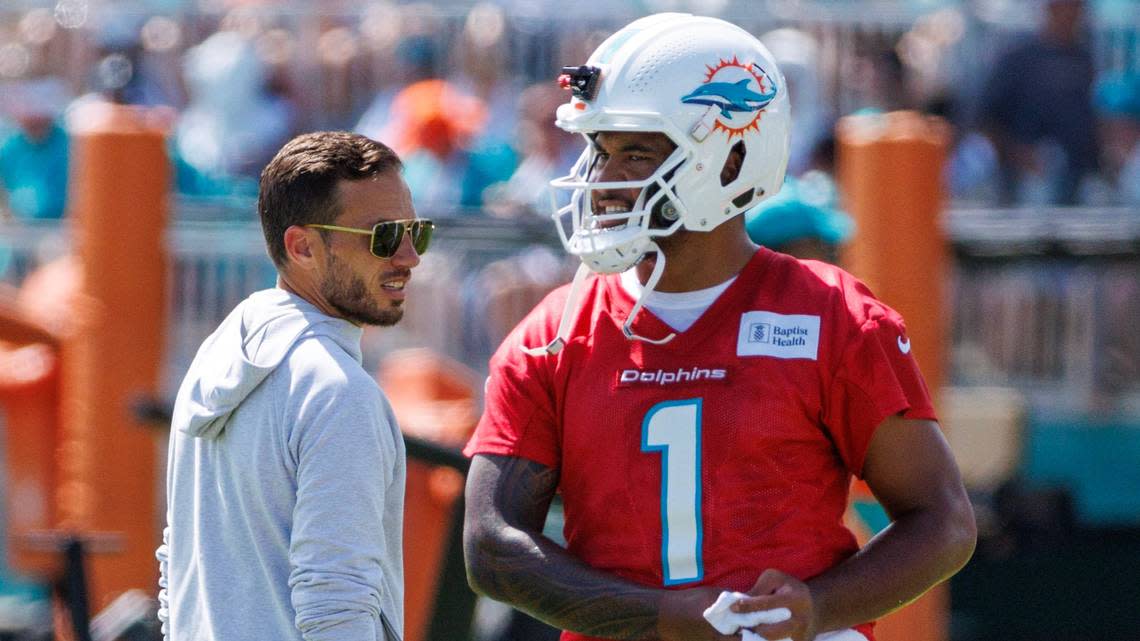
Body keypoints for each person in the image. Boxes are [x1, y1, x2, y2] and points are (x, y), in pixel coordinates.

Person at [462, 13, 976, 641]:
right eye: (600, 151)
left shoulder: (832, 317)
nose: (603, 182)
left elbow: (941, 519)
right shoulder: (554, 334)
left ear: (731, 158)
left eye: (636, 153)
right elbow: (491, 546)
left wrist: (817, 606)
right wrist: (663, 618)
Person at [157, 132, 431, 641]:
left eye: (417, 231)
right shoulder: (339, 393)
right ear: (302, 246)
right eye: (384, 236)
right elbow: (336, 607)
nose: (410, 256)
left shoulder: (213, 357)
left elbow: (176, 571)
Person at [977, 0, 1099, 205]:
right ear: (1049, 9)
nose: (1071, 14)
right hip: (1026, 176)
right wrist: (1018, 155)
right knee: (1036, 193)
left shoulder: (1085, 60)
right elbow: (986, 119)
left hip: (1078, 173)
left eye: (1076, 7)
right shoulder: (1018, 59)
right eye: (1064, 7)